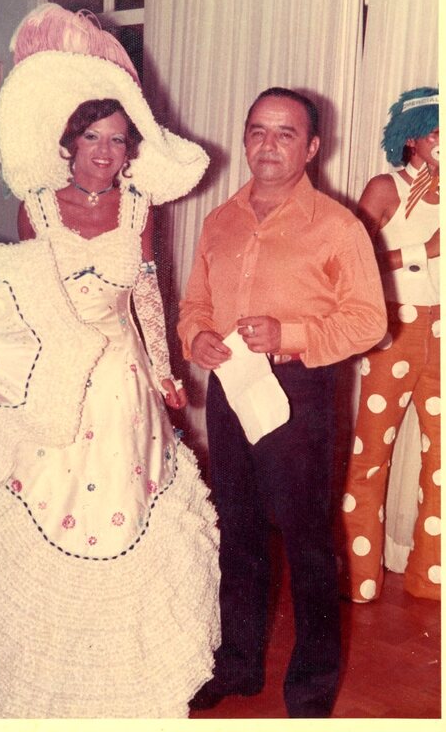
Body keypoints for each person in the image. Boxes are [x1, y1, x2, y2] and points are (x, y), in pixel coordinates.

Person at [0, 4, 220, 718]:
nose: (105, 151)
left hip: (123, 381)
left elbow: (147, 294)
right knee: (41, 499)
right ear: (68, 144)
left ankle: (121, 670)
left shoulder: (139, 209)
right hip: (57, 383)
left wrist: (165, 372)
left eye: (118, 139)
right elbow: (22, 304)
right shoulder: (34, 209)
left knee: (126, 506)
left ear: (130, 149)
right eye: (93, 137)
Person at [178, 87, 387, 718]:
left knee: (306, 543)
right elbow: (194, 305)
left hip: (301, 394)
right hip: (230, 388)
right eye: (258, 132)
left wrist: (290, 335)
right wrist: (196, 337)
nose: (268, 145)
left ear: (313, 146)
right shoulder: (219, 220)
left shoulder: (338, 226)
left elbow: (369, 321)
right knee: (238, 531)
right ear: (245, 139)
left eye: (286, 133)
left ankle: (312, 693)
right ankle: (239, 666)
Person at [341, 87, 440, 603]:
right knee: (370, 455)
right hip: (395, 328)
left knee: (441, 462)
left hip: (443, 332)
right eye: (437, 131)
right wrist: (423, 250)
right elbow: (350, 261)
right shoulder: (387, 187)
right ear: (412, 138)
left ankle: (430, 579)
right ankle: (359, 579)